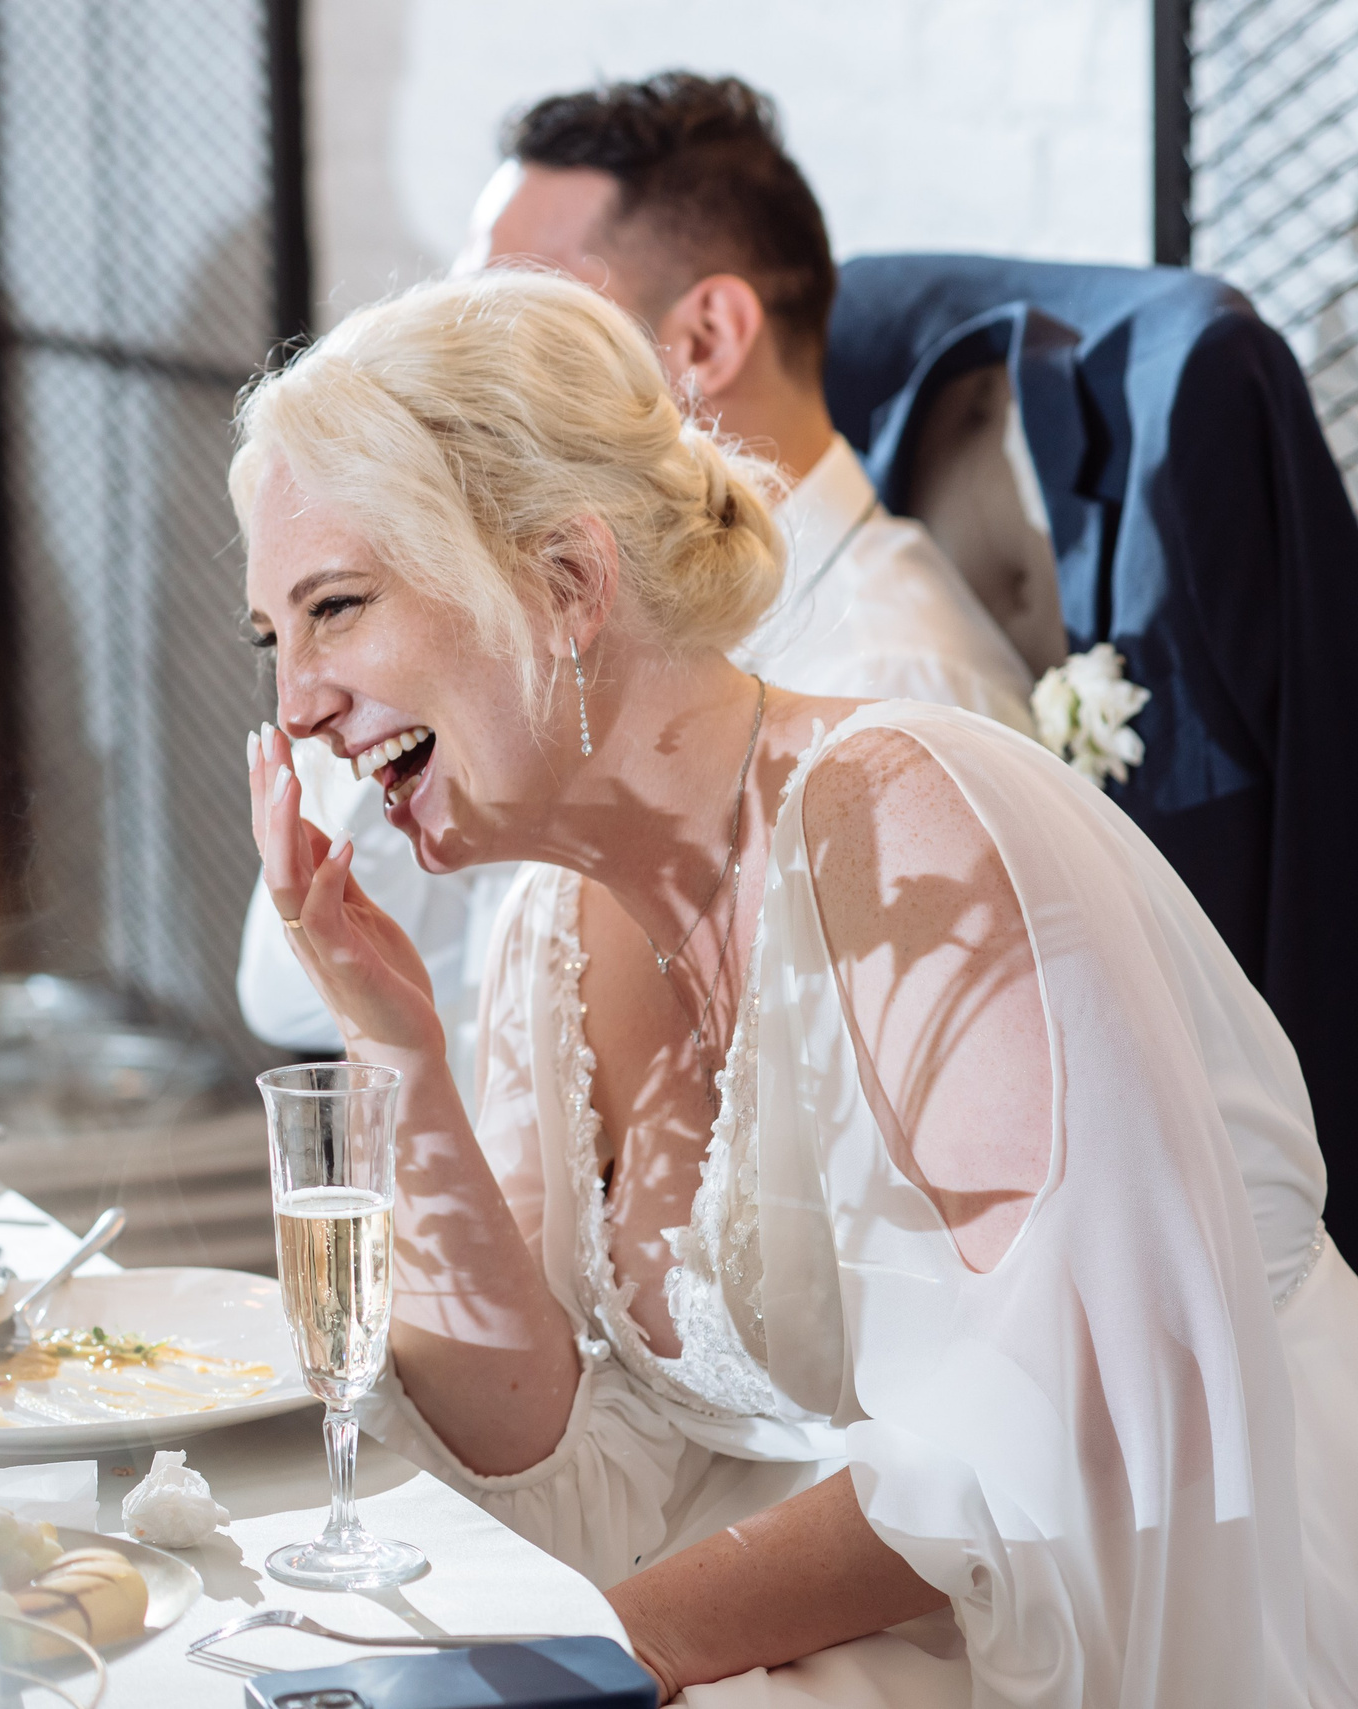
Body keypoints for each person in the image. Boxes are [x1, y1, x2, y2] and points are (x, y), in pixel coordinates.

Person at [237, 267, 1355, 1704]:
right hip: (887, 1585)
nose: (298, 707)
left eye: (337, 606)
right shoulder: (545, 930)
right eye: (278, 639)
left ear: (567, 583)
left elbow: (1036, 1431)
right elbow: (577, 1471)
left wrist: (595, 1658)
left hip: (1182, 1576)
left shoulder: (908, 822)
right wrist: (393, 1045)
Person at [237, 73, 1034, 1085]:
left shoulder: (896, 692)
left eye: (511, 308)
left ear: (703, 339)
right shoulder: (500, 636)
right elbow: (285, 991)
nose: (444, 369)